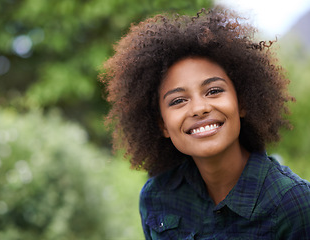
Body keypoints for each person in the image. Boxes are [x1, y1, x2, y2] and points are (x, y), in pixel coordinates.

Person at [100, 7, 310, 239]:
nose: (200, 108)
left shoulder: (294, 203)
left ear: (242, 103)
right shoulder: (157, 196)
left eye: (213, 90)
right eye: (178, 100)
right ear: (162, 125)